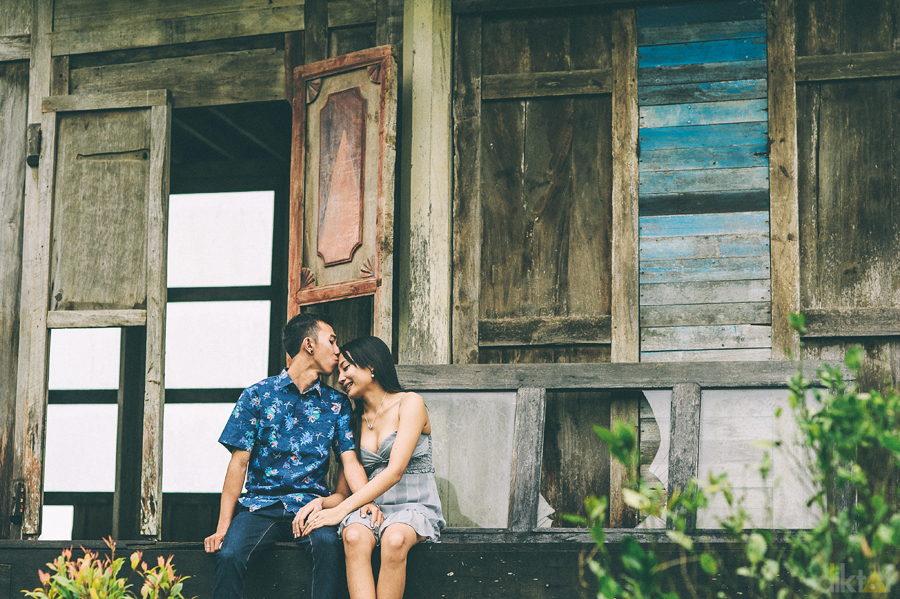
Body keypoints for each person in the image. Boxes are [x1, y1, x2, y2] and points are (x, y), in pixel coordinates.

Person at [205, 314, 383, 599]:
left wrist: (367, 501)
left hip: (311, 506)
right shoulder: (257, 395)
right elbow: (238, 463)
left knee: (329, 546)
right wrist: (223, 527)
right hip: (259, 505)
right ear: (309, 345)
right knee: (229, 555)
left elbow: (349, 461)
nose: (337, 350)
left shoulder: (336, 403)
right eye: (332, 341)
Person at [300, 336, 445, 599]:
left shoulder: (409, 403)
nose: (340, 378)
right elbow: (344, 493)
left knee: (394, 538)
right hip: (371, 511)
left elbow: (395, 471)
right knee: (353, 536)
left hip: (413, 507)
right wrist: (321, 503)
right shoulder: (352, 422)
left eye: (346, 368)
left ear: (371, 365)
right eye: (339, 371)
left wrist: (342, 510)